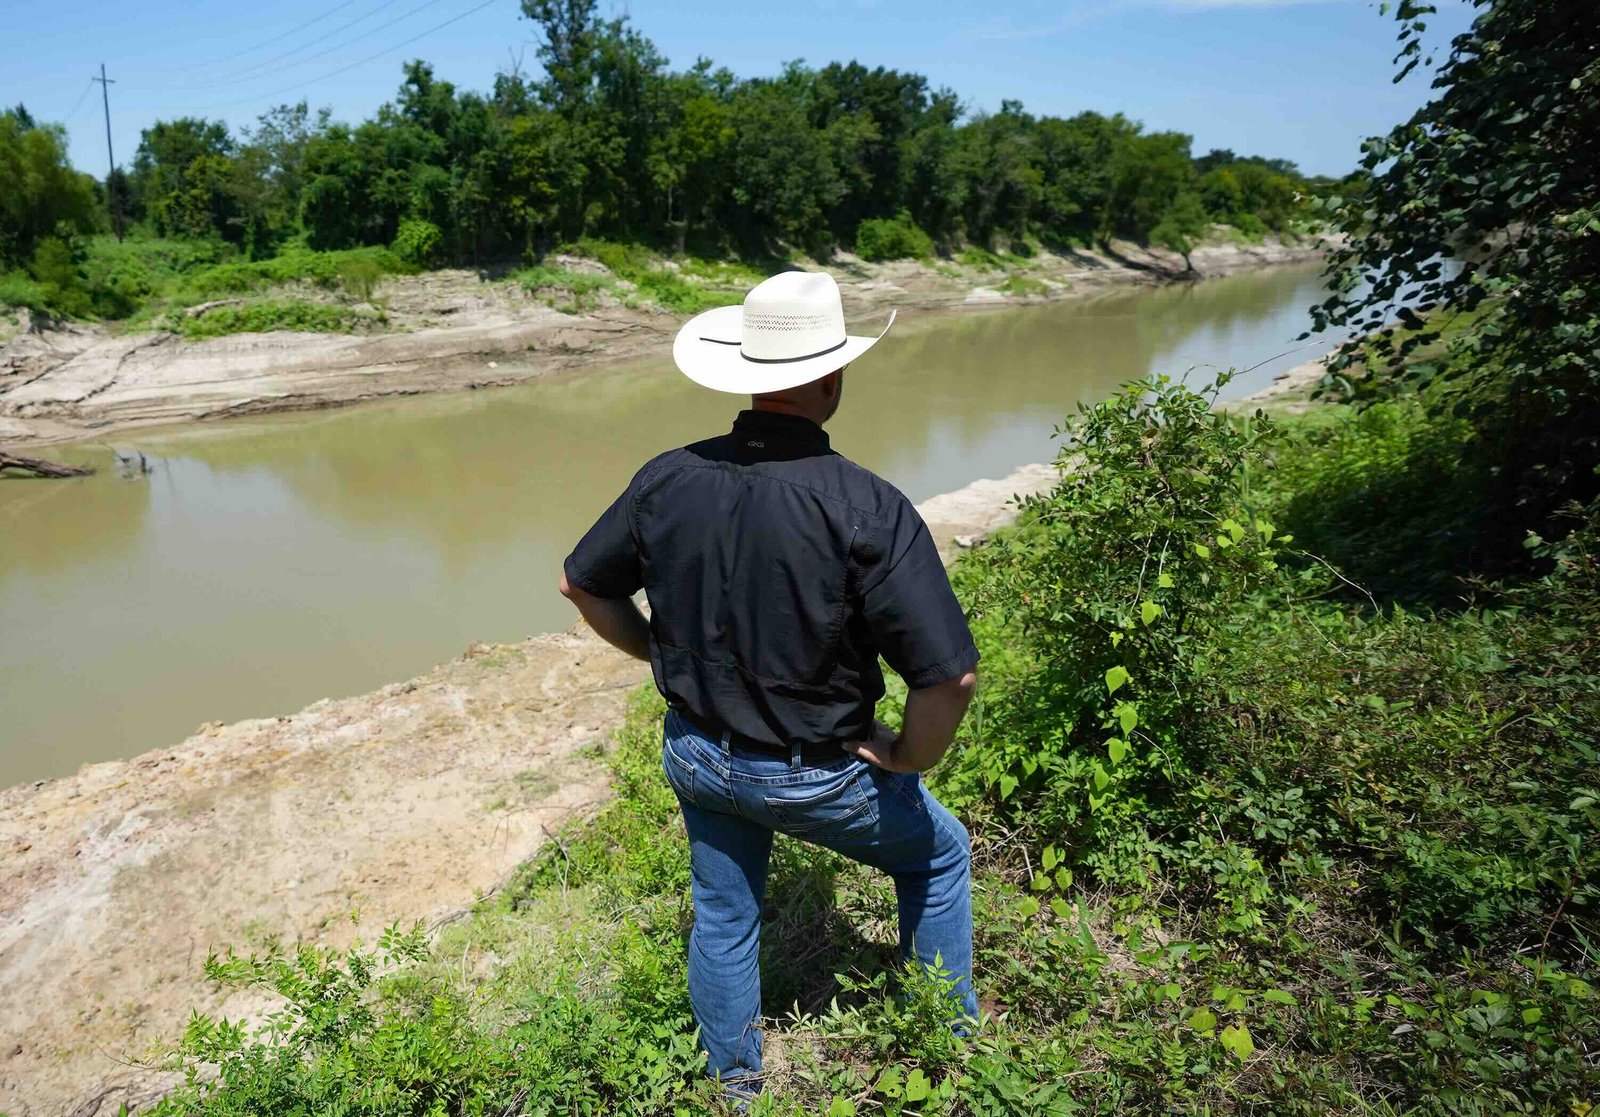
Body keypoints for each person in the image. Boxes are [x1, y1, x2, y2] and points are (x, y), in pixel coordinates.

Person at [559, 270, 979, 1103]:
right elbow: (950, 675)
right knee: (940, 856)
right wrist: (904, 757)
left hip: (699, 756)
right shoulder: (868, 505)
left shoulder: (667, 477)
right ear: (833, 377)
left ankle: (736, 1090)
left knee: (723, 913)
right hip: (817, 770)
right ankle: (947, 1044)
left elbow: (581, 585)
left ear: (749, 373)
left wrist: (659, 656)